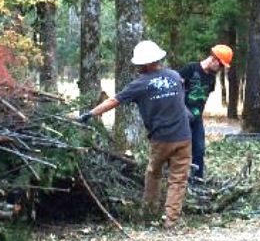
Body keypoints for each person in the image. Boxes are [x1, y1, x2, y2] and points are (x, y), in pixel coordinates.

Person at [79, 40, 191, 229]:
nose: (137, 66)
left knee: (153, 173)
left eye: (139, 64)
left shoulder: (140, 84)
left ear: (145, 63)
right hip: (183, 135)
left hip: (161, 138)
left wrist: (90, 114)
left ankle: (149, 212)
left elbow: (114, 101)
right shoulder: (174, 76)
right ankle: (171, 220)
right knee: (178, 179)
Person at [177, 45, 233, 182]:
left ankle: (197, 179)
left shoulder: (211, 78)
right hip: (181, 117)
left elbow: (203, 98)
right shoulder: (190, 69)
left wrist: (196, 114)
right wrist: (182, 109)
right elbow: (175, 88)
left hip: (196, 118)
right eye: (220, 65)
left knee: (199, 149)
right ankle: (177, 179)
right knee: (180, 150)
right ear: (214, 58)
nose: (220, 68)